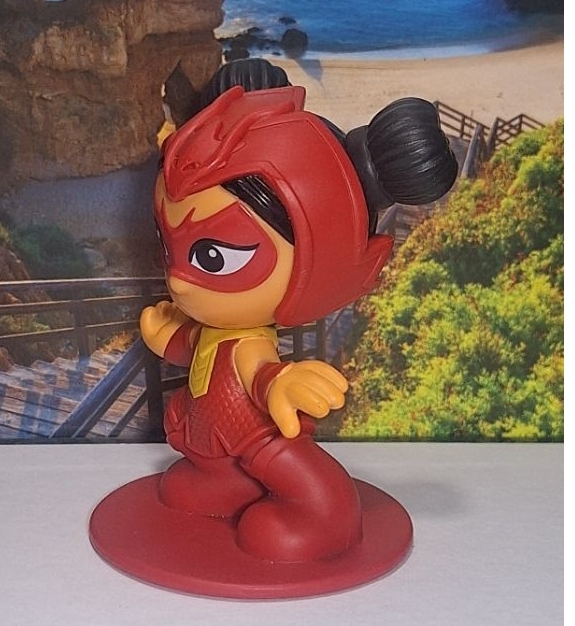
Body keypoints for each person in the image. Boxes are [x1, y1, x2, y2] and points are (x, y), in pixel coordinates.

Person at [141, 59, 457, 562]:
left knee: (291, 466)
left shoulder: (250, 343)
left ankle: (324, 516)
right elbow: (196, 350)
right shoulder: (212, 326)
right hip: (217, 441)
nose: (178, 277)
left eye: (213, 257)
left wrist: (281, 384)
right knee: (198, 477)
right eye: (168, 246)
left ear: (311, 259)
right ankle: (226, 485)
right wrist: (168, 337)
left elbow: (258, 373)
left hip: (256, 436)